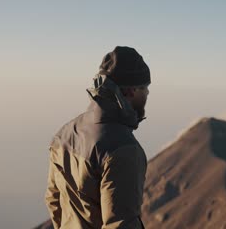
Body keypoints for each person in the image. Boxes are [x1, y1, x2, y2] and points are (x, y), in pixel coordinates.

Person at [45, 46, 150, 229]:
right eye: (145, 88)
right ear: (132, 90)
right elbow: (121, 224)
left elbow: (54, 201)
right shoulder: (123, 149)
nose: (147, 94)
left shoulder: (64, 133)